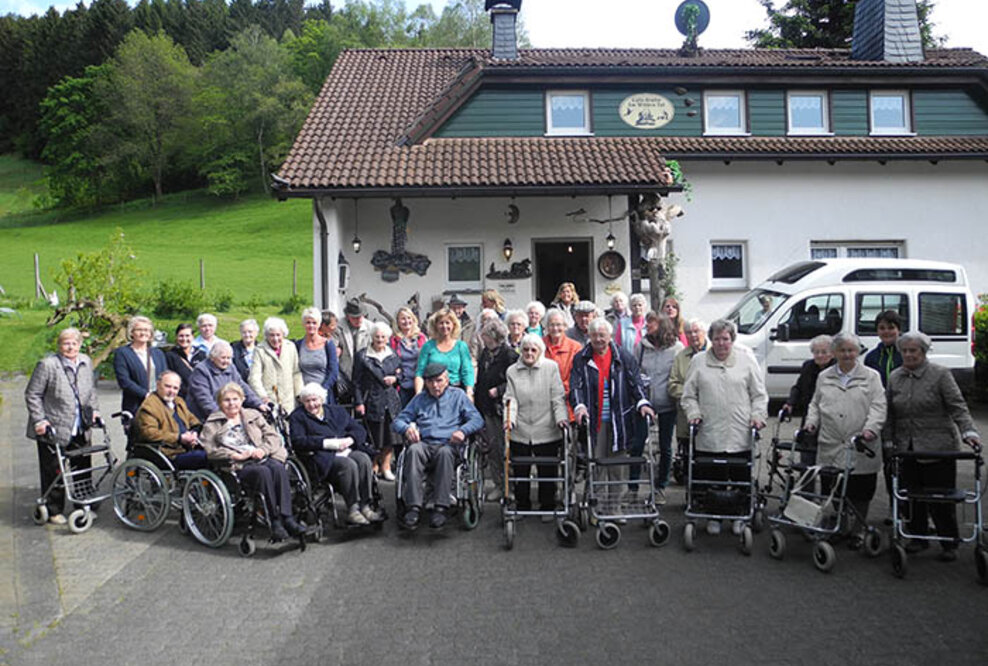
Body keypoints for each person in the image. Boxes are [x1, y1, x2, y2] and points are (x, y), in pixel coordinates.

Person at [885, 331, 981, 562]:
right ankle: (918, 538)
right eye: (905, 351)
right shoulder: (895, 377)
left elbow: (957, 406)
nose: (909, 355)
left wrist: (968, 431)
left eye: (913, 350)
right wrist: (888, 441)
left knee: (941, 497)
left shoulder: (940, 374)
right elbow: (889, 413)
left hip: (938, 446)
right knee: (911, 496)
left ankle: (949, 542)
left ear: (924, 352)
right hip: (906, 447)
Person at [681, 319, 768, 535]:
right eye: (717, 338)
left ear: (732, 340)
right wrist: (694, 414)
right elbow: (688, 396)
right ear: (711, 339)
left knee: (741, 477)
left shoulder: (746, 360)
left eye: (726, 339)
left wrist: (758, 416)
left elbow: (759, 395)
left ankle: (740, 515)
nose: (721, 343)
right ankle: (715, 516)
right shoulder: (699, 362)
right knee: (713, 478)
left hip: (740, 432)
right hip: (709, 432)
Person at [804, 333, 886, 548]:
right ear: (835, 353)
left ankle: (858, 530)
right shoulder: (824, 377)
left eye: (851, 350)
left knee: (861, 490)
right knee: (835, 488)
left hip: (861, 442)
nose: (847, 354)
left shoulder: (871, 377)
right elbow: (815, 404)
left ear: (857, 352)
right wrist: (811, 423)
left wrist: (871, 429)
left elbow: (879, 406)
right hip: (831, 442)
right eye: (842, 350)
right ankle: (840, 526)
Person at [199, 383, 306, 541]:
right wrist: (235, 455)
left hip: (261, 456)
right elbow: (210, 449)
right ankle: (274, 521)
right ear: (220, 403)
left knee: (278, 468)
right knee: (263, 472)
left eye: (235, 399)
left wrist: (263, 449)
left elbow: (273, 436)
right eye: (227, 400)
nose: (231, 403)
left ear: (242, 400)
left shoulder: (253, 415)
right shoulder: (213, 423)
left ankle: (287, 517)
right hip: (237, 465)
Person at [570, 318, 656, 513]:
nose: (598, 339)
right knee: (597, 464)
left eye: (602, 335)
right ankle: (598, 507)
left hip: (619, 421)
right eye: (594, 335)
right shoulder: (581, 358)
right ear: (589, 336)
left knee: (617, 466)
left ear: (610, 336)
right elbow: (575, 386)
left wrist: (643, 403)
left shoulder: (623, 356)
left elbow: (636, 383)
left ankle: (615, 508)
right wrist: (580, 406)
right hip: (595, 421)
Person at [24, 328, 102, 525]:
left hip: (80, 425)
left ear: (80, 345)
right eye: (66, 343)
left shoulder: (85, 361)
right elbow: (33, 394)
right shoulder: (47, 365)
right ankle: (53, 510)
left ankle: (83, 504)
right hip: (53, 427)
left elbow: (91, 391)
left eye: (74, 343)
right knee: (54, 471)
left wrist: (94, 411)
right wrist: (40, 420)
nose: (70, 347)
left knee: (82, 467)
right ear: (59, 345)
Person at [392, 364, 484, 529]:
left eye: (439, 380)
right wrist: (407, 429)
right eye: (430, 381)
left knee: (445, 453)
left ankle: (441, 506)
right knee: (413, 451)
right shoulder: (419, 399)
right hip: (425, 443)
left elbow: (477, 420)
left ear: (447, 380)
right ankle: (413, 506)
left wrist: (463, 431)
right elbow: (398, 421)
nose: (435, 385)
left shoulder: (458, 396)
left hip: (449, 443)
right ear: (425, 383)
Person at [289, 383, 382, 526]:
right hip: (320, 459)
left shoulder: (336, 412)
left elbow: (359, 429)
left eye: (314, 400)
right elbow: (298, 441)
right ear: (302, 402)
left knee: (363, 459)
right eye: (307, 401)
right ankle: (353, 509)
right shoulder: (298, 417)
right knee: (348, 465)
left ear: (322, 399)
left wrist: (350, 439)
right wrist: (327, 443)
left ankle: (365, 505)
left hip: (345, 450)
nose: (312, 404)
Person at [504, 334, 568, 517]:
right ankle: (522, 505)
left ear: (540, 351)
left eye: (533, 350)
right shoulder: (512, 371)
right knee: (520, 471)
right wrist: (509, 419)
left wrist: (561, 419)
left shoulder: (551, 367)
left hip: (546, 426)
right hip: (521, 427)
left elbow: (557, 398)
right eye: (525, 350)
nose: (529, 353)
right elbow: (510, 399)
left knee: (547, 471)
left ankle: (547, 506)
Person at [633, 312, 683, 504]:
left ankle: (661, 487)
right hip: (644, 404)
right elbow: (635, 372)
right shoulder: (642, 347)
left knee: (665, 446)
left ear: (662, 326)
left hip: (667, 404)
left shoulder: (676, 348)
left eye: (651, 323)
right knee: (637, 445)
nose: (647, 326)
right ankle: (632, 487)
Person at [474, 319, 518, 501]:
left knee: (505, 449)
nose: (482, 338)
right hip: (486, 407)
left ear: (494, 337)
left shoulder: (510, 356)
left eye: (485, 335)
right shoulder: (486, 353)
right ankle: (498, 484)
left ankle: (511, 487)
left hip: (503, 408)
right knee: (492, 448)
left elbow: (516, 380)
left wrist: (499, 390)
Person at [354, 322, 403, 481]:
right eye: (377, 337)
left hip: (391, 401)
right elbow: (356, 382)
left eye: (383, 337)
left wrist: (395, 378)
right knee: (374, 437)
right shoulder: (362, 356)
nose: (380, 340)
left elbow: (402, 374)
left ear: (388, 338)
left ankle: (386, 467)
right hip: (372, 400)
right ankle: (373, 466)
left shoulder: (393, 354)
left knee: (390, 436)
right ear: (372, 337)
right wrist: (359, 402)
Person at [134, 371, 206, 470]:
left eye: (175, 388)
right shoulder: (149, 406)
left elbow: (193, 421)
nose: (171, 391)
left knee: (219, 453)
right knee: (207, 457)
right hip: (169, 454)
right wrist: (179, 438)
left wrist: (194, 433)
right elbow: (149, 433)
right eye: (168, 386)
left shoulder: (178, 401)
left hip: (187, 447)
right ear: (158, 385)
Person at [668, 318, 710, 481]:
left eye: (696, 331)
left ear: (704, 333)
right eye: (689, 332)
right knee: (689, 454)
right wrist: (690, 394)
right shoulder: (681, 356)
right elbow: (672, 385)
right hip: (686, 415)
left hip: (712, 413)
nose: (693, 335)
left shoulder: (714, 352)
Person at [187, 341, 267, 421]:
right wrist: (223, 417)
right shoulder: (201, 371)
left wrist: (258, 403)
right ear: (213, 357)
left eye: (229, 358)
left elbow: (243, 387)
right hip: (207, 417)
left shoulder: (231, 367)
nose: (226, 361)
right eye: (223, 358)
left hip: (230, 412)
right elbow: (204, 400)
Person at [113, 315, 167, 417]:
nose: (143, 333)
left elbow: (165, 377)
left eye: (146, 330)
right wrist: (146, 395)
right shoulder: (123, 353)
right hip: (136, 406)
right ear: (131, 332)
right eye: (139, 330)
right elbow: (124, 381)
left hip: (159, 404)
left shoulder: (158, 353)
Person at [415, 307, 474, 399]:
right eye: (441, 323)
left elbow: (467, 371)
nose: (444, 326)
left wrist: (469, 392)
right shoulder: (428, 346)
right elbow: (420, 372)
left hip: (455, 391)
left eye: (447, 323)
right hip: (433, 391)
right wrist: (418, 395)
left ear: (453, 325)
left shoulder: (461, 346)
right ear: (436, 325)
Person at [249, 317, 303, 414]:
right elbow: (254, 377)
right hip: (269, 400)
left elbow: (296, 373)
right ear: (266, 335)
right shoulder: (260, 350)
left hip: (289, 401)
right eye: (272, 335)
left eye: (278, 335)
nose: (275, 339)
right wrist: (263, 396)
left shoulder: (290, 347)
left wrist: (299, 394)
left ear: (283, 334)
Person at [542, 308, 582, 422]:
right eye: (551, 325)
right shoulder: (539, 344)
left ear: (565, 326)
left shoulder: (575, 347)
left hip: (567, 401)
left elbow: (577, 375)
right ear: (546, 326)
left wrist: (561, 390)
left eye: (559, 324)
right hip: (543, 402)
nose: (555, 328)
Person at [296, 307, 339, 404]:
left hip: (323, 395)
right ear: (303, 324)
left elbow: (333, 372)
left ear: (319, 324)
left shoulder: (328, 344)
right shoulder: (299, 345)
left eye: (314, 323)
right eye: (308, 322)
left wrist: (321, 390)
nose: (311, 326)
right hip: (304, 396)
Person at [390, 306, 427, 407]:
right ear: (397, 322)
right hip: (402, 384)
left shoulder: (421, 338)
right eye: (403, 318)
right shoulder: (394, 340)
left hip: (420, 382)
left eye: (409, 318)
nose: (406, 321)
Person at [333, 298, 373, 384]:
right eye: (354, 318)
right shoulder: (337, 327)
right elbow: (333, 348)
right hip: (344, 372)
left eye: (360, 317)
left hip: (365, 373)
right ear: (347, 316)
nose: (358, 320)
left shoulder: (371, 327)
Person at [166, 323, 206, 400]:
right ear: (176, 337)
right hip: (180, 397)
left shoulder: (201, 355)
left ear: (192, 337)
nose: (184, 339)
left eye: (187, 336)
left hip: (199, 396)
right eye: (181, 336)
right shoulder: (170, 356)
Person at [864, 310, 903, 387]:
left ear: (898, 330)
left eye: (891, 328)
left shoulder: (907, 355)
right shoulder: (871, 357)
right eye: (882, 328)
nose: (886, 331)